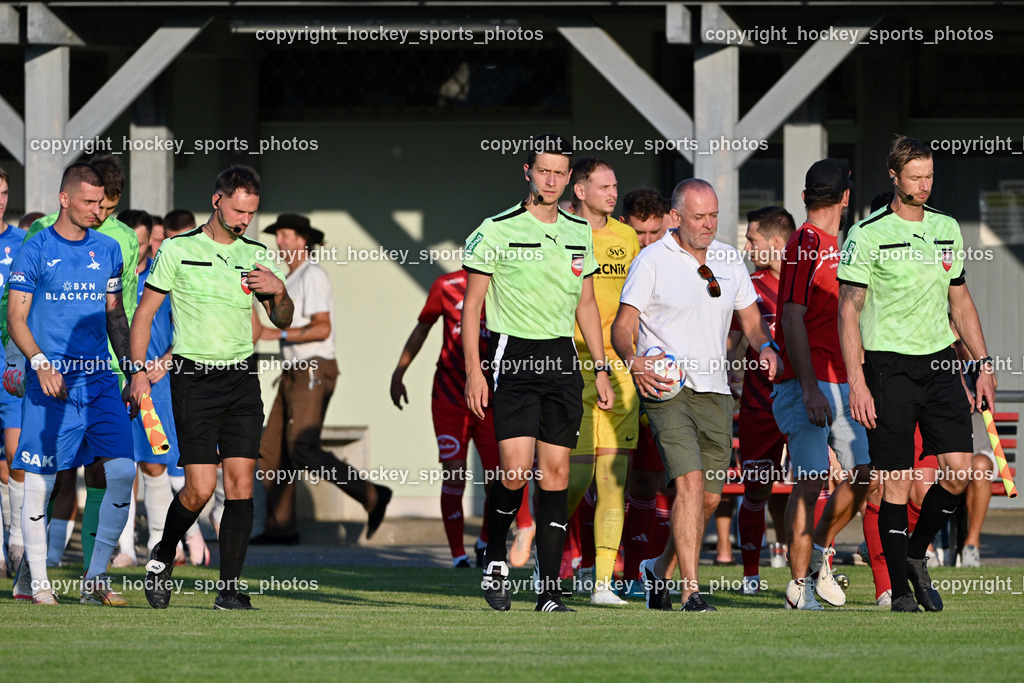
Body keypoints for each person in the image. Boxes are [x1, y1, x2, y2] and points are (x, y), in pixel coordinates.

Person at [838, 135, 995, 612]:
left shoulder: (948, 227)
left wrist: (982, 364)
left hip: (942, 363)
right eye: (915, 177)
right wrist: (857, 381)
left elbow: (960, 300)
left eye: (929, 176)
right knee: (896, 479)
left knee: (959, 472)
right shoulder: (866, 233)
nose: (924, 185)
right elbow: (848, 311)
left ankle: (915, 554)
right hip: (888, 368)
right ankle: (900, 592)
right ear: (894, 177)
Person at [612, 178, 781, 612]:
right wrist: (633, 361)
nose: (708, 225)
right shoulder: (651, 260)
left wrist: (766, 349)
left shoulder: (728, 258)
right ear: (676, 217)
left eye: (713, 216)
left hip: (716, 392)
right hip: (667, 389)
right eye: (698, 216)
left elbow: (751, 318)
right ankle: (691, 589)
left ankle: (657, 568)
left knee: (708, 496)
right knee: (687, 484)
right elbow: (622, 326)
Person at [464, 133, 613, 613]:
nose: (550, 180)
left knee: (556, 474)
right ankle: (493, 558)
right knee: (513, 470)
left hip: (564, 360)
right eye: (542, 171)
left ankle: (549, 592)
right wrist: (474, 371)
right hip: (514, 358)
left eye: (559, 172)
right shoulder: (495, 229)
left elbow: (587, 304)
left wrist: (603, 368)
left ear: (570, 179)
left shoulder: (578, 230)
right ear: (527, 172)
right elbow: (471, 309)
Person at [132, 165, 292, 611]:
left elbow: (282, 320)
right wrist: (139, 370)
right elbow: (144, 315)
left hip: (241, 378)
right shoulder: (178, 251)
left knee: (241, 484)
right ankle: (163, 555)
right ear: (217, 200)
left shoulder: (259, 255)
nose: (244, 220)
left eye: (252, 213)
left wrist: (278, 291)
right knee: (199, 489)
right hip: (193, 379)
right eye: (238, 210)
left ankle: (229, 590)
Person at [4, 155, 139, 598]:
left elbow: (116, 317)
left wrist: (133, 371)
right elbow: (17, 318)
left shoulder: (110, 250)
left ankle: (95, 578)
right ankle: (38, 581)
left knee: (121, 472)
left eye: (101, 203)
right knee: (41, 480)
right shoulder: (38, 247)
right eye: (88, 201)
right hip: (51, 382)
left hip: (99, 382)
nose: (97, 210)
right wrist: (39, 362)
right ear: (64, 199)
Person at [771, 160, 875, 610]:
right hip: (807, 382)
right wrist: (810, 387)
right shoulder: (804, 241)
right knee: (810, 481)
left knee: (865, 475)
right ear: (846, 197)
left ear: (806, 197)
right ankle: (798, 586)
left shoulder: (844, 244)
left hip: (842, 382)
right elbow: (790, 314)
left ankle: (816, 554)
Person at [256, 213, 391, 544]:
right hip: (293, 373)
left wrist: (273, 334)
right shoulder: (293, 278)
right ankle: (281, 528)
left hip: (313, 369)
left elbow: (322, 327)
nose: (280, 241)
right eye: (279, 235)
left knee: (302, 447)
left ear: (304, 241)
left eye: (286, 235)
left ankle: (372, 495)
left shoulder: (313, 275)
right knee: (271, 450)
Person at [391, 270, 534, 568]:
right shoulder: (445, 285)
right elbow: (422, 328)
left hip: (491, 395)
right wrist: (399, 371)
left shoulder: (508, 283)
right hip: (450, 393)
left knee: (500, 473)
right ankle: (457, 555)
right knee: (454, 471)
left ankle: (484, 541)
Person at [562, 157, 639, 605]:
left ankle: (603, 583)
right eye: (603, 186)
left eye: (615, 186)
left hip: (619, 367)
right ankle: (546, 559)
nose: (612, 193)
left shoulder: (626, 236)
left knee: (614, 477)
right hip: (572, 365)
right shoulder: (562, 233)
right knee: (574, 478)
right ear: (581, 190)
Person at [728, 206, 794, 594]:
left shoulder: (812, 282)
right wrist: (726, 371)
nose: (748, 246)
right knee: (757, 488)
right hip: (758, 406)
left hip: (805, 401)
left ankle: (817, 570)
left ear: (775, 242)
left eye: (752, 239)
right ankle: (750, 575)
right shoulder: (747, 287)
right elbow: (730, 343)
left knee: (813, 483)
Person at [617, 188, 674, 592]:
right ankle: (580, 565)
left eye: (656, 232)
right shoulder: (609, 263)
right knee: (601, 476)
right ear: (625, 226)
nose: (648, 242)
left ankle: (638, 572)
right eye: (641, 233)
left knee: (650, 482)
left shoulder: (676, 264)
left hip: (657, 384)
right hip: (613, 379)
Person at [0, 167, 27, 580]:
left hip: (11, 364)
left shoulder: (23, 244)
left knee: (16, 458)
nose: (0, 200)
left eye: (3, 192)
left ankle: (20, 546)